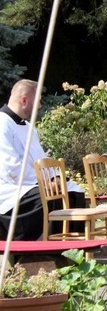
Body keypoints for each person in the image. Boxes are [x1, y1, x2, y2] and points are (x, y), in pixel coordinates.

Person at [0, 79, 85, 241]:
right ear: (24, 100)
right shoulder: (2, 124)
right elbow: (10, 168)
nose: (39, 106)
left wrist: (55, 178)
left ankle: (72, 248)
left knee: (74, 191)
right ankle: (40, 252)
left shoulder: (29, 127)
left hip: (32, 183)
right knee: (46, 197)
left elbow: (41, 160)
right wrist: (45, 183)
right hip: (10, 190)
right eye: (38, 101)